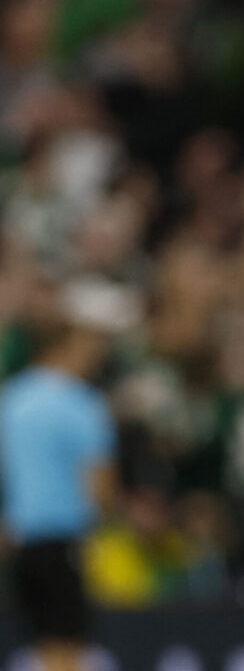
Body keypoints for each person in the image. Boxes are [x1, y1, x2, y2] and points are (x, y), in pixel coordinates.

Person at [0, 277, 135, 671]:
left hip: (20, 547)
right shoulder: (85, 406)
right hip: (64, 547)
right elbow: (102, 493)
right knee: (66, 654)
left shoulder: (12, 398)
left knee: (42, 650)